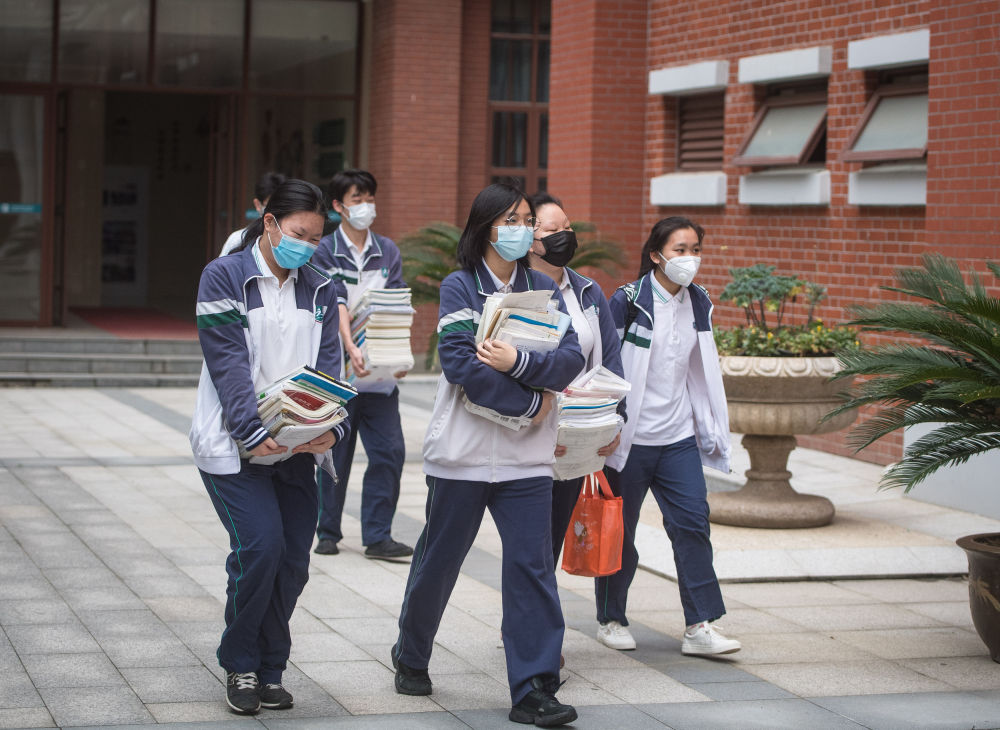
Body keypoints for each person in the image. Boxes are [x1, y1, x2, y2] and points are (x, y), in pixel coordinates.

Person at [392, 183, 583, 727]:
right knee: (440, 561)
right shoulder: (460, 287)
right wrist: (530, 405)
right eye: (511, 219)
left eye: (527, 218)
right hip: (463, 456)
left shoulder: (544, 289)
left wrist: (517, 362)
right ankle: (411, 651)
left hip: (527, 463)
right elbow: (462, 366)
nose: (523, 228)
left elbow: (569, 359)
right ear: (484, 227)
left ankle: (534, 687)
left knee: (532, 567)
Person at [190, 179, 348, 715]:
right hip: (237, 447)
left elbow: (331, 369)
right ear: (270, 223)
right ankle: (240, 664)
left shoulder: (321, 286)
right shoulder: (226, 276)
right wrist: (253, 435)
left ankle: (270, 668)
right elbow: (228, 364)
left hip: (298, 449)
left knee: (292, 562)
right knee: (260, 548)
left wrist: (332, 426)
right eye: (298, 233)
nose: (306, 245)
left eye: (316, 237)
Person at [594, 216, 740, 657]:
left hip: (677, 438)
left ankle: (700, 626)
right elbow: (605, 364)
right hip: (630, 440)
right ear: (656, 255)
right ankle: (611, 617)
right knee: (621, 532)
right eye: (680, 249)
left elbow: (699, 370)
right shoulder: (628, 300)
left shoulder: (699, 301)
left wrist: (709, 427)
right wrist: (606, 425)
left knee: (693, 524)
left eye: (695, 248)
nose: (689, 257)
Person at [311, 169, 413, 561]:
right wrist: (350, 346)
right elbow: (332, 301)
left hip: (380, 379)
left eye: (369, 197)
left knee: (390, 453)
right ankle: (327, 532)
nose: (365, 206)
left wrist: (400, 356)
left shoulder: (387, 250)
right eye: (357, 199)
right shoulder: (325, 250)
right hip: (337, 375)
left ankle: (377, 536)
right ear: (337, 207)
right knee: (334, 456)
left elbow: (396, 308)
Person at [525, 192, 624, 571]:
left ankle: (537, 625)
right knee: (529, 545)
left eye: (568, 227)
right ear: (531, 240)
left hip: (578, 436)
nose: (565, 235)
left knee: (552, 540)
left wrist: (614, 420)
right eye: (554, 229)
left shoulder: (588, 291)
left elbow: (611, 360)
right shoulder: (518, 291)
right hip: (532, 434)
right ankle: (525, 626)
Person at [220, 171, 287, 256]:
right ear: (258, 205)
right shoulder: (238, 240)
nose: (277, 212)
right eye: (271, 206)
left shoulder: (294, 242)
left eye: (282, 206)